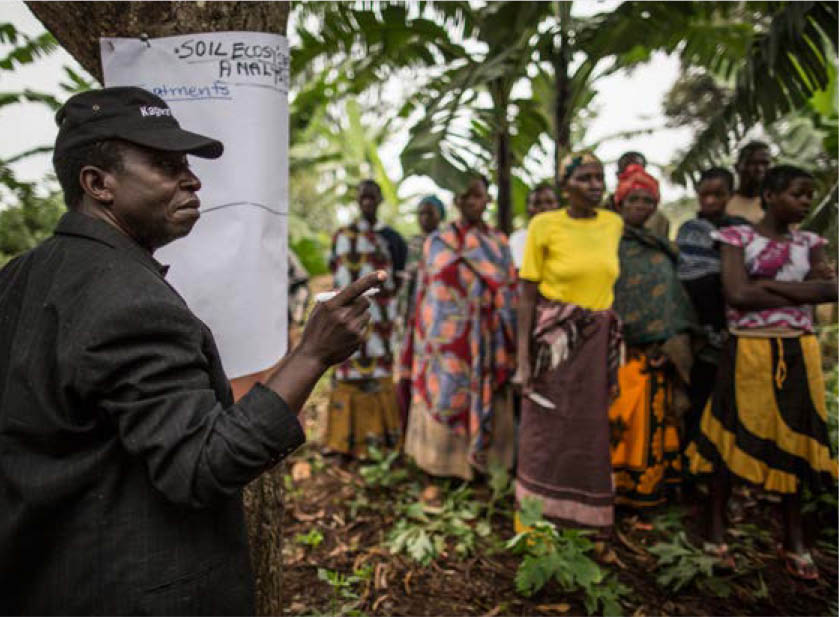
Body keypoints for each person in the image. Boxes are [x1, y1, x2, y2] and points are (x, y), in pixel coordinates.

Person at [0, 87, 384, 615]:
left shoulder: (20, 276)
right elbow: (202, 465)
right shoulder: (129, 301)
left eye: (186, 163)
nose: (193, 179)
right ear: (98, 184)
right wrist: (312, 353)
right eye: (164, 165)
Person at [686, 165, 838, 579]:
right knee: (731, 435)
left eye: (810, 194)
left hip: (797, 351)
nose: (806, 201)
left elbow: (831, 290)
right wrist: (798, 290)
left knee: (796, 439)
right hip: (748, 351)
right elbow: (735, 293)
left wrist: (765, 288)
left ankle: (794, 539)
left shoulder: (811, 242)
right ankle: (716, 531)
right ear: (770, 196)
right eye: (798, 193)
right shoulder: (739, 238)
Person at [514, 151, 623, 536]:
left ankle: (585, 523)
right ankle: (534, 523)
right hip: (554, 344)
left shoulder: (613, 224)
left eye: (600, 177)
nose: (596, 186)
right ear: (566, 186)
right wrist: (523, 361)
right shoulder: (544, 226)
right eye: (586, 178)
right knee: (546, 428)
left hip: (596, 347)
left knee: (589, 430)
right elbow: (527, 295)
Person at [400, 174, 518, 480]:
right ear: (456, 201)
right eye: (465, 196)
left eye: (477, 196)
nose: (471, 202)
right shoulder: (437, 243)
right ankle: (441, 467)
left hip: (487, 339)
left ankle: (489, 466)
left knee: (489, 391)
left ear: (487, 200)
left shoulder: (498, 243)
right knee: (446, 395)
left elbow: (509, 292)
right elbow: (426, 297)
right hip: (445, 345)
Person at [608, 164, 697, 509]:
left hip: (656, 353)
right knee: (617, 421)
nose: (642, 206)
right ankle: (611, 491)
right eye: (634, 199)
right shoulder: (607, 245)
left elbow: (672, 302)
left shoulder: (662, 249)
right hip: (616, 353)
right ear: (619, 203)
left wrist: (668, 342)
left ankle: (646, 493)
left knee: (650, 423)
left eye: (649, 200)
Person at [323, 180, 404, 459]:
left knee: (379, 373)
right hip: (348, 316)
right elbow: (334, 270)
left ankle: (381, 442)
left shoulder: (391, 238)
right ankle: (341, 443)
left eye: (372, 196)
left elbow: (398, 277)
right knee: (346, 366)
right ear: (357, 200)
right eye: (363, 196)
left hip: (380, 322)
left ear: (380, 199)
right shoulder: (341, 236)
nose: (367, 201)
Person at [676, 168, 749, 448]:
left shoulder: (742, 228)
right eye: (704, 194)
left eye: (717, 195)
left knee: (733, 402)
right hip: (702, 332)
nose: (710, 201)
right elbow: (694, 278)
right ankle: (693, 463)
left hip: (738, 331)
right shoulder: (690, 231)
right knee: (699, 399)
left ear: (730, 195)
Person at [395, 194, 445, 429]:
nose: (424, 218)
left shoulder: (445, 243)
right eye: (421, 213)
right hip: (411, 318)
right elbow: (406, 285)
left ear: (440, 216)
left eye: (430, 213)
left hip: (435, 320)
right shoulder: (413, 244)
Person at [606, 151, 670, 238]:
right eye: (628, 173)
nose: (635, 175)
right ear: (618, 175)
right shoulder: (598, 213)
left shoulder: (659, 220)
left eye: (638, 171)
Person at [509, 183, 559, 270]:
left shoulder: (570, 236)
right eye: (537, 203)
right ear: (528, 209)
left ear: (558, 206)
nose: (544, 207)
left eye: (549, 202)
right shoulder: (518, 239)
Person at [726, 140, 771, 224]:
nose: (760, 169)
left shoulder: (776, 205)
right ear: (737, 167)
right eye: (752, 163)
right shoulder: (723, 203)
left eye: (765, 164)